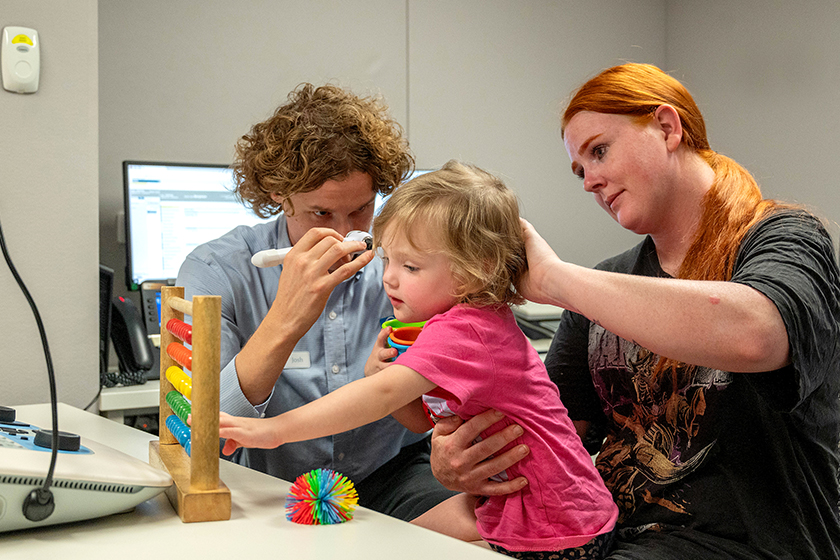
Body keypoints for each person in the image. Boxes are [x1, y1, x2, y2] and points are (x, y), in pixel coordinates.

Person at [431, 63, 840, 559]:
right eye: (580, 169)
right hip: (615, 534)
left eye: (599, 151)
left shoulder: (787, 238)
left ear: (668, 127)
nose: (587, 182)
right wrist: (464, 458)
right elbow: (552, 440)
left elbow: (757, 333)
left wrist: (557, 280)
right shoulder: (605, 284)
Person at [216, 160, 619, 557]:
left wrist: (275, 431)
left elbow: (379, 395)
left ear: (477, 269)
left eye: (410, 266)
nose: (389, 277)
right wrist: (393, 381)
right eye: (387, 259)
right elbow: (424, 420)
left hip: (554, 524)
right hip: (542, 507)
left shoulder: (465, 331)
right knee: (381, 542)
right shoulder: (466, 322)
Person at [176, 83, 455, 521]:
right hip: (267, 481)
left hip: (393, 472)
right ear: (276, 194)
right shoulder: (217, 271)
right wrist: (287, 317)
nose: (345, 235)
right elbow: (207, 433)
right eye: (321, 214)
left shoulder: (409, 264)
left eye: (362, 210)